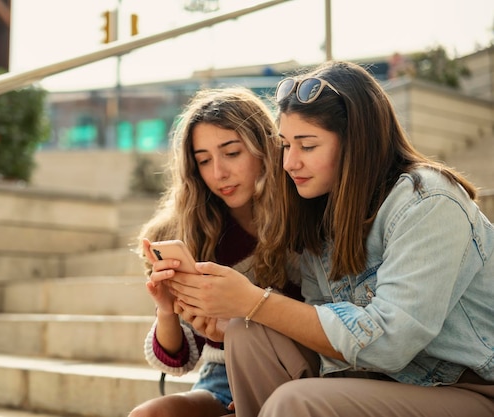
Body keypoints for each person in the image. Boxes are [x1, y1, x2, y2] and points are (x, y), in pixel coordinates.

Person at [154, 60, 494, 417]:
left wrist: (255, 301)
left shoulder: (427, 202)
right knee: (247, 332)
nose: (288, 163)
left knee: (291, 400)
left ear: (356, 143)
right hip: (384, 381)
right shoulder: (321, 213)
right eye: (286, 145)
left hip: (466, 387)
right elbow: (324, 324)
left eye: (308, 146)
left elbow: (391, 342)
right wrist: (232, 315)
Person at [128, 87, 302, 417]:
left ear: (264, 148)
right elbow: (180, 360)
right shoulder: (192, 228)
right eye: (204, 160)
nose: (218, 173)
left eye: (232, 153)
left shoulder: (303, 212)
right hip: (222, 376)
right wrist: (166, 311)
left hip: (299, 366)